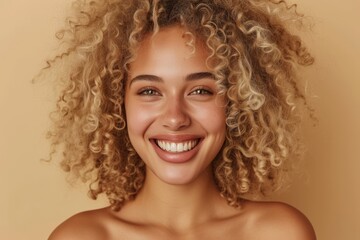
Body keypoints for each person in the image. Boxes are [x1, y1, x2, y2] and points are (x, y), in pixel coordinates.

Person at [46, 0, 316, 239]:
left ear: (238, 101)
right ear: (117, 105)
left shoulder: (279, 233)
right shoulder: (80, 237)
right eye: (150, 91)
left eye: (200, 91)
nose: (175, 118)